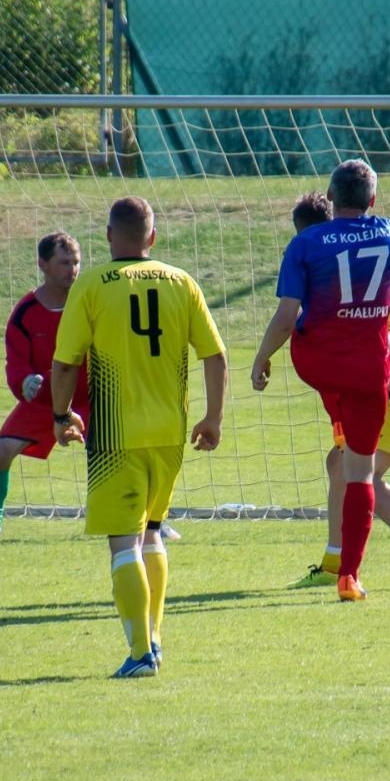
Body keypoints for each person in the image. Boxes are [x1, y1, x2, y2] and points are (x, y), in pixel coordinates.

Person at [50, 196, 227, 679]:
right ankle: (155, 641)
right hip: (169, 434)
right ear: (153, 236)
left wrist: (60, 414)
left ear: (109, 236)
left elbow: (65, 363)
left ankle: (139, 653)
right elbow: (215, 355)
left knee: (123, 543)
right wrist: (212, 418)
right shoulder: (181, 282)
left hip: (114, 435)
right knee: (152, 533)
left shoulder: (89, 286)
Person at [251, 160, 390, 602]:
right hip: (370, 370)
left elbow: (286, 316)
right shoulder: (389, 233)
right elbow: (380, 317)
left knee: (343, 462)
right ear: (373, 200)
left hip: (320, 363)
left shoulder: (306, 242)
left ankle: (341, 564)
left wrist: (261, 357)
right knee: (359, 475)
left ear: (329, 200)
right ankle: (350, 576)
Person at [281, 191, 390, 592]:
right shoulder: (354, 263)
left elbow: (382, 338)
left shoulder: (346, 278)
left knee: (362, 474)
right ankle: (334, 561)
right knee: (339, 466)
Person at [0, 232, 90, 542]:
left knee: (121, 453)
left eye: (76, 262)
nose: (72, 269)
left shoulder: (89, 302)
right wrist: (24, 383)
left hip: (89, 399)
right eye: (64, 262)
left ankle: (150, 522)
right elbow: (17, 364)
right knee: (0, 453)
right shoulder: (25, 311)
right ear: (43, 264)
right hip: (44, 403)